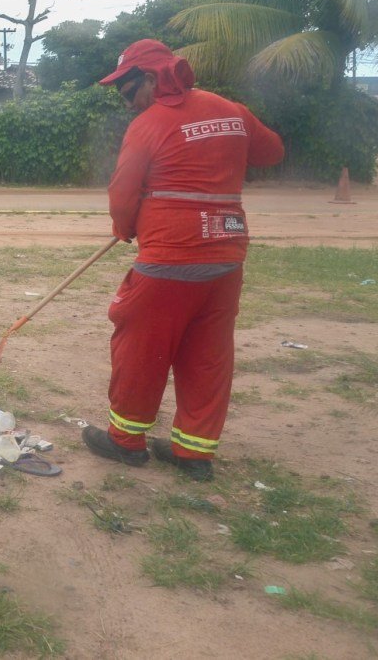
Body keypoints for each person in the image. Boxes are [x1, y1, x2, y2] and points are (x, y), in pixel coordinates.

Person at [81, 39, 284, 481]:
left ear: (153, 78)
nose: (126, 100)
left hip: (169, 257)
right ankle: (193, 455)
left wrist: (124, 227)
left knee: (141, 346)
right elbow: (272, 152)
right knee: (207, 353)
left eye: (127, 89)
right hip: (226, 257)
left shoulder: (148, 124)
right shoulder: (232, 110)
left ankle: (126, 443)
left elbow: (122, 192)